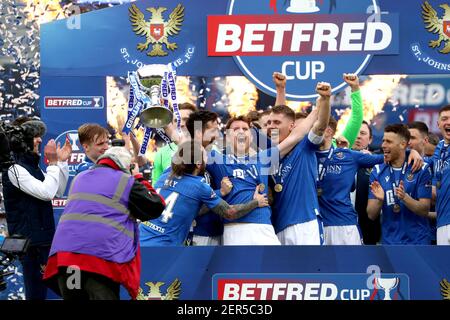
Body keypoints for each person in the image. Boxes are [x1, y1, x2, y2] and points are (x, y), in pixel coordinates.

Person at [43, 146, 166, 300]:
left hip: (66, 261)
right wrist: (138, 177)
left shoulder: (79, 177)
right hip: (98, 262)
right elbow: (156, 206)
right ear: (126, 167)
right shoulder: (125, 180)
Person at [139, 141, 268, 246]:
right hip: (163, 246)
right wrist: (256, 202)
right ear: (199, 164)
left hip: (140, 239)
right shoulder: (199, 185)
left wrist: (221, 192)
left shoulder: (167, 173)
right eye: (205, 155)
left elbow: (194, 207)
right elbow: (230, 212)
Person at [1, 119, 71, 299]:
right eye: (35, 136)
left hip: (44, 241)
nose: (40, 140)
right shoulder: (14, 169)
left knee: (69, 289)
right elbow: (47, 192)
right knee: (37, 294)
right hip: (32, 245)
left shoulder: (32, 167)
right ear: (23, 141)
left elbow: (58, 190)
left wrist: (61, 163)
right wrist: (54, 164)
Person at [267, 78, 330, 245]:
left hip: (305, 223)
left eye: (277, 123)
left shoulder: (305, 146)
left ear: (292, 127)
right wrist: (280, 90)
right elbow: (280, 113)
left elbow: (321, 126)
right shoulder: (268, 152)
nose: (271, 126)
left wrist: (325, 100)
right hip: (278, 227)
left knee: (310, 270)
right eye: (269, 123)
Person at [367, 124, 432, 245]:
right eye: (383, 141)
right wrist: (379, 201)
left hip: (418, 242)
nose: (383, 145)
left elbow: (424, 210)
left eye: (389, 141)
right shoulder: (377, 171)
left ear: (402, 144)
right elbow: (371, 214)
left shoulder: (421, 169)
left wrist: (404, 198)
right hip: (389, 244)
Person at [186, 110, 226, 245]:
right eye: (213, 130)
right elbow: (189, 198)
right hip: (199, 232)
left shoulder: (214, 155)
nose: (217, 135)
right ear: (198, 132)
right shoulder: (186, 160)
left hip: (219, 229)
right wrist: (222, 192)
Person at [351, 121, 381, 244]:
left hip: (369, 229)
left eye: (363, 133)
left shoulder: (378, 163)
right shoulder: (337, 160)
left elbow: (396, 155)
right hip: (341, 225)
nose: (358, 136)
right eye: (355, 133)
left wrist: (412, 151)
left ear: (370, 139)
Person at [152, 103, 197, 183]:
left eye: (186, 120)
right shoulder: (161, 153)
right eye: (177, 121)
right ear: (172, 124)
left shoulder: (209, 149)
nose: (182, 124)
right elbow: (155, 187)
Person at [433, 105, 450, 245]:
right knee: (445, 267)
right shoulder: (438, 149)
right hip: (442, 222)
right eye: (444, 119)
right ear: (438, 124)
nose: (448, 122)